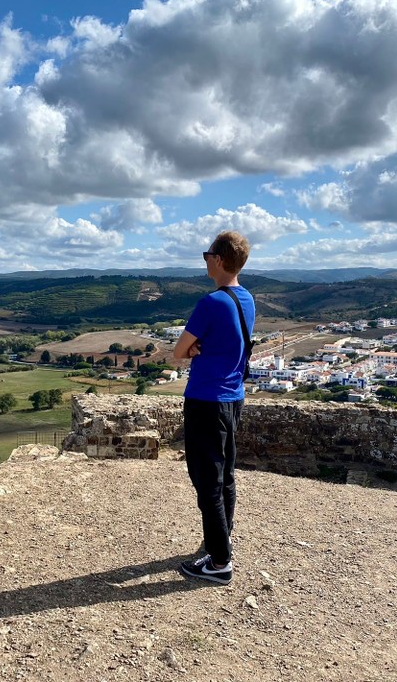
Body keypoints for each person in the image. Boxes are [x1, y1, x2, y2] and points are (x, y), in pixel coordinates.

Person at [172, 230, 254, 585]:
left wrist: (192, 349)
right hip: (233, 398)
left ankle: (220, 562)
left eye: (207, 254)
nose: (205, 260)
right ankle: (220, 540)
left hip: (206, 400)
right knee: (225, 476)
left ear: (219, 260)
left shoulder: (211, 302)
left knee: (207, 480)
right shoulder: (246, 298)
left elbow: (179, 350)